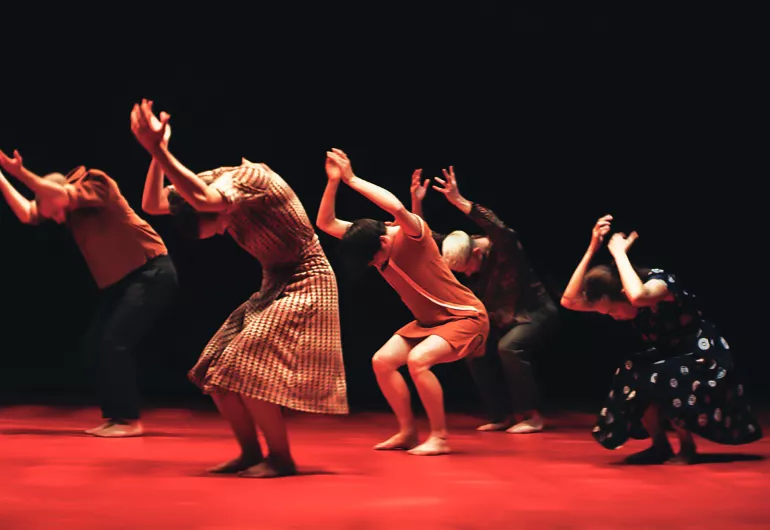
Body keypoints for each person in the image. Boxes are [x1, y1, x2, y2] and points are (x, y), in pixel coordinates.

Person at [131, 99, 347, 478]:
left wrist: (159, 148)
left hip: (308, 281)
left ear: (220, 211)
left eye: (215, 228)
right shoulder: (211, 185)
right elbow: (153, 204)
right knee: (214, 369)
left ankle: (281, 458)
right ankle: (250, 452)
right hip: (274, 283)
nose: (221, 233)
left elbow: (200, 199)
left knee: (244, 365)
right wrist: (155, 153)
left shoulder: (249, 182)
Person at [316, 148, 489, 456]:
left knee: (418, 361)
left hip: (465, 317)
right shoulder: (367, 239)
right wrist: (333, 182)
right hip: (429, 323)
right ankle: (408, 432)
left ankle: (439, 436)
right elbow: (326, 223)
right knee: (382, 362)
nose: (373, 264)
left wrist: (352, 178)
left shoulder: (413, 236)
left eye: (374, 259)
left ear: (383, 241)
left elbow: (396, 207)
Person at [0, 149, 178, 438]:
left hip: (150, 271)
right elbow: (27, 213)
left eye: (55, 211)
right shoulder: (68, 210)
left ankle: (129, 420)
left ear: (58, 195)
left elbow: (56, 196)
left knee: (114, 341)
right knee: (95, 343)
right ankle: (115, 416)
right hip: (124, 281)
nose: (58, 220)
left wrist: (19, 172)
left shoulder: (97, 183)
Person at [561, 214, 762, 464]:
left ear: (621, 294)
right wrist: (593, 247)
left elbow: (638, 297)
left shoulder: (659, 283)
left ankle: (687, 449)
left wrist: (620, 254)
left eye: (612, 311)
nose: (613, 318)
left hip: (705, 358)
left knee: (661, 373)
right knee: (632, 368)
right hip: (672, 355)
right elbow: (569, 301)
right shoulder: (622, 293)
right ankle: (660, 446)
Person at [411, 167, 558, 434]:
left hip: (533, 312)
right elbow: (425, 238)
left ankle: (531, 416)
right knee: (473, 349)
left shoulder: (504, 249)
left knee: (509, 348)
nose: (467, 274)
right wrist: (417, 202)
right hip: (500, 316)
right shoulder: (456, 245)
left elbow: (499, 227)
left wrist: (458, 201)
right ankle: (501, 415)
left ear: (477, 250)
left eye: (468, 268)